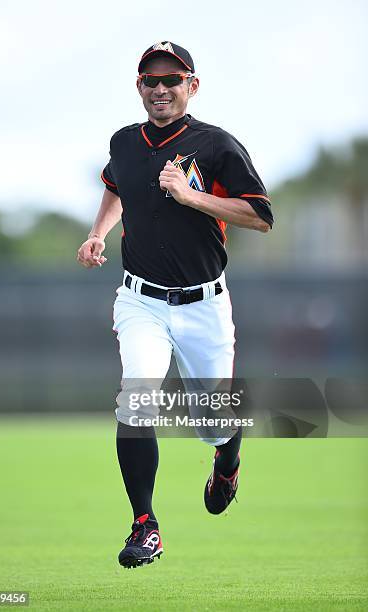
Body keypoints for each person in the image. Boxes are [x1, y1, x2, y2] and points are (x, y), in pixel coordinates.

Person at [77, 41, 274, 569]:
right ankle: (146, 525)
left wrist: (193, 196)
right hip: (140, 300)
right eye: (150, 80)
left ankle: (227, 458)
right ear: (138, 86)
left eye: (172, 79)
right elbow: (118, 187)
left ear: (193, 84)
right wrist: (98, 233)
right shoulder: (125, 141)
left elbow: (260, 215)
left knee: (213, 422)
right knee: (136, 398)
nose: (160, 89)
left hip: (204, 305)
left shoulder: (215, 146)